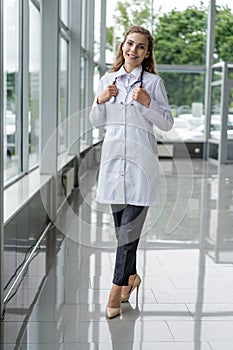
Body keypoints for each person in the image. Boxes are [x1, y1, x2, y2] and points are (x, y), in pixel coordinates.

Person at [89, 25, 173, 319]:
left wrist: (148, 104)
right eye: (129, 44)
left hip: (141, 166)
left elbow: (167, 123)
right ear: (122, 46)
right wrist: (100, 99)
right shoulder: (107, 80)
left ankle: (114, 290)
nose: (133, 50)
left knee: (127, 235)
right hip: (113, 165)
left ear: (147, 53)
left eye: (140, 47)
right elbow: (95, 121)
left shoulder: (152, 83)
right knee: (123, 233)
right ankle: (131, 277)